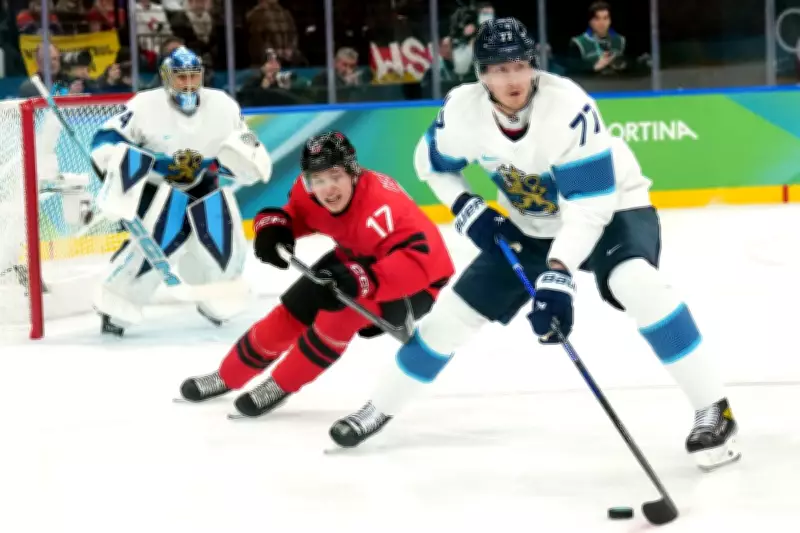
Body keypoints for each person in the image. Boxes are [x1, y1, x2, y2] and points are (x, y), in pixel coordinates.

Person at [328, 17, 740, 472]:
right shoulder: (462, 112)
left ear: (534, 65)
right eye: (499, 69)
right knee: (450, 318)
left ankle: (713, 410)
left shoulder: (568, 108)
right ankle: (378, 408)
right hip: (530, 223)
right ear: (481, 75)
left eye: (520, 66)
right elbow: (429, 163)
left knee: (638, 284)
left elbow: (589, 209)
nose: (513, 79)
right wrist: (466, 206)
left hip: (612, 208)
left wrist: (557, 275)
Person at [178, 132, 455, 418]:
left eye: (335, 176)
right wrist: (275, 227)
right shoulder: (308, 191)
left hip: (415, 284)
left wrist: (361, 280)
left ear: (353, 173)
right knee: (291, 311)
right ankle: (227, 376)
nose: (327, 189)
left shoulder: (384, 205)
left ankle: (279, 385)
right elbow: (298, 215)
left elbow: (424, 260)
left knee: (336, 318)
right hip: (355, 256)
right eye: (318, 179)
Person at [89, 46, 273, 336]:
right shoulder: (144, 105)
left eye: (193, 76)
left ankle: (217, 299)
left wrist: (235, 164)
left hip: (204, 184)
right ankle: (117, 303)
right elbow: (106, 141)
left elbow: (244, 145)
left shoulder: (223, 105)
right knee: (156, 243)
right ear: (166, 77)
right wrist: (144, 167)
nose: (188, 84)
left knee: (225, 243)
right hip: (156, 188)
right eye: (180, 77)